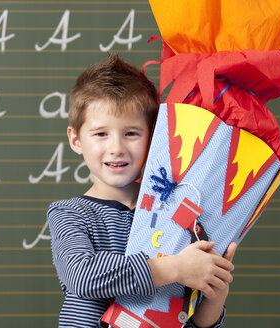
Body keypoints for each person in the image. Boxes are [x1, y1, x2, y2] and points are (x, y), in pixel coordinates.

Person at [47, 53, 237, 328]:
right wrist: (176, 268)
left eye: (131, 133)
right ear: (76, 140)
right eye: (101, 134)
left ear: (154, 139)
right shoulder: (71, 214)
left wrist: (214, 288)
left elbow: (193, 321)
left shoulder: (175, 214)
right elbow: (82, 275)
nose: (117, 148)